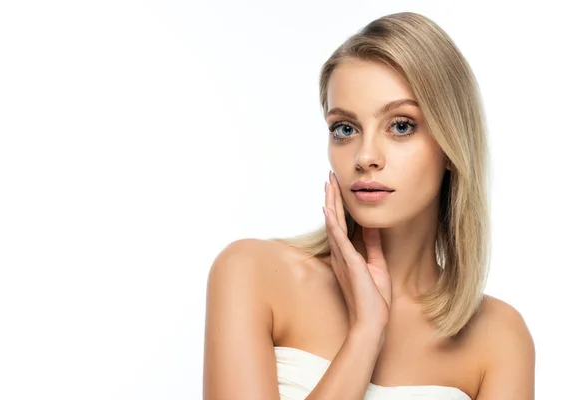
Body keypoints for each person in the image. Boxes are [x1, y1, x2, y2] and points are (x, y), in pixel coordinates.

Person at [202, 11, 535, 400]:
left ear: (450, 144)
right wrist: (365, 334)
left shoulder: (499, 338)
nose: (365, 156)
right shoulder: (253, 272)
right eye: (345, 128)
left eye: (401, 125)